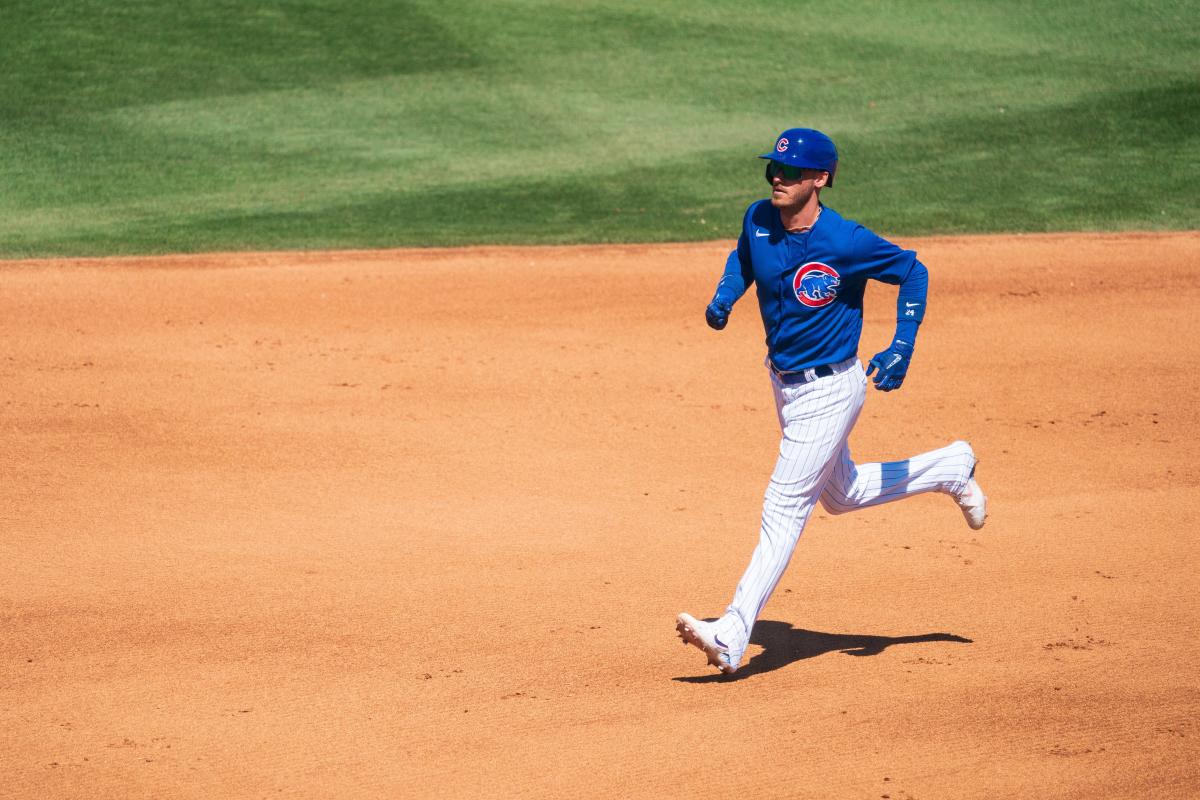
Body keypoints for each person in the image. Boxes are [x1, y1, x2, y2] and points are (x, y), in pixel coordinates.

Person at [676, 127, 988, 675]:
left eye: (790, 172)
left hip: (831, 388)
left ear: (819, 179)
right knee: (840, 496)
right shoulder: (758, 218)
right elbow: (744, 257)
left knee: (783, 507)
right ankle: (950, 466)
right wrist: (726, 296)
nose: (777, 177)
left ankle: (732, 631)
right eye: (772, 168)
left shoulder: (844, 240)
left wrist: (902, 344)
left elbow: (914, 271)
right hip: (784, 385)